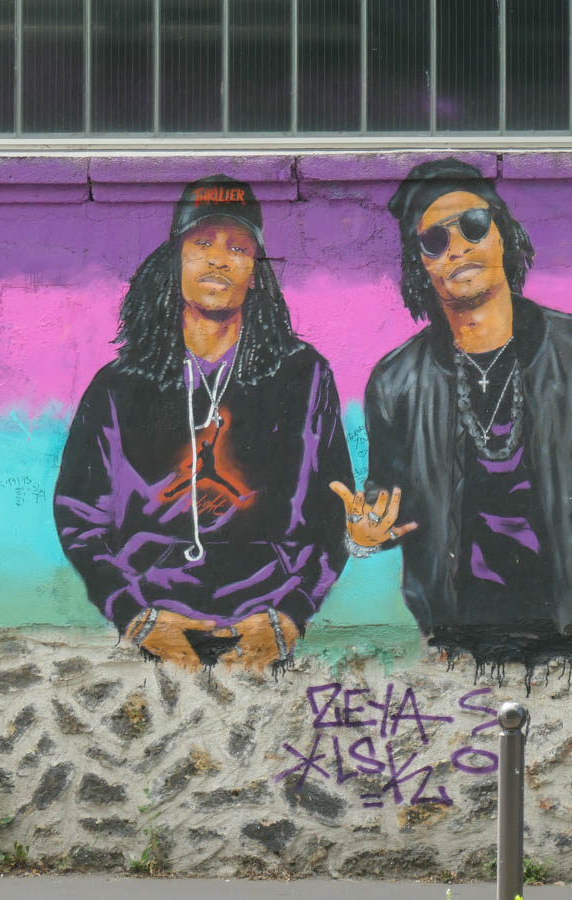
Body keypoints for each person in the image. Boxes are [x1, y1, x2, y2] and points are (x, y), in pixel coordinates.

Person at [332, 158, 572, 672]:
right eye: (434, 240)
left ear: (503, 233)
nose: (457, 247)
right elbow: (385, 505)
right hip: (453, 644)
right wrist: (363, 538)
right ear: (421, 265)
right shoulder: (396, 382)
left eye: (473, 225)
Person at [55, 175, 353, 670]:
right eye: (201, 243)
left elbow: (332, 508)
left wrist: (291, 616)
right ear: (175, 259)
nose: (219, 259)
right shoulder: (118, 384)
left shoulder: (303, 374)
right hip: (151, 627)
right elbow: (80, 515)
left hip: (268, 626)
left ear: (256, 270)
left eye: (238, 247)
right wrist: (133, 615)